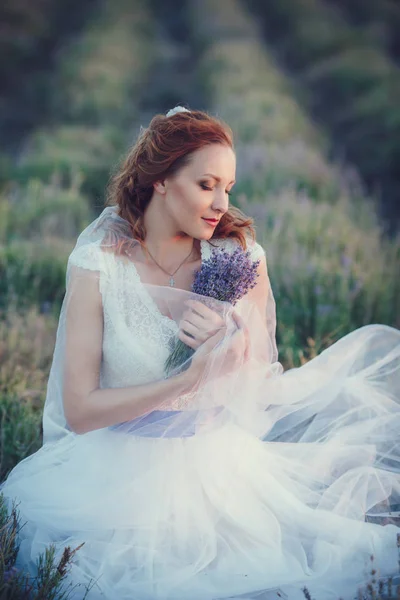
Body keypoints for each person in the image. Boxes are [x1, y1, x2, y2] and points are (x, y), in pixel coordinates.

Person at [1, 106, 399, 600]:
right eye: (206, 184)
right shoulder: (99, 265)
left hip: (219, 472)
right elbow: (80, 411)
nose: (220, 202)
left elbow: (255, 385)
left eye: (227, 188)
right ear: (162, 181)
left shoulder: (239, 259)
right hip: (113, 479)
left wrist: (235, 352)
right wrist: (186, 379)